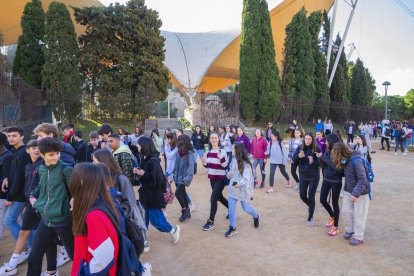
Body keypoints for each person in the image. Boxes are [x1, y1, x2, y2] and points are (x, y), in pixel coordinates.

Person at [27, 137, 74, 275]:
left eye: (57, 153)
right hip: (45, 219)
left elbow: (77, 192)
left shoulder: (66, 169)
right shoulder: (41, 169)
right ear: (42, 155)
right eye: (51, 154)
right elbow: (41, 186)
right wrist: (32, 195)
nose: (56, 157)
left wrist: (75, 200)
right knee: (34, 255)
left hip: (63, 220)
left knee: (75, 255)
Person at [92, 149, 150, 252]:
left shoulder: (121, 179)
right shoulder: (99, 179)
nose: (92, 164)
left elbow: (130, 203)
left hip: (125, 219)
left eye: (94, 161)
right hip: (114, 221)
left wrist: (115, 214)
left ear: (104, 161)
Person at [0, 140, 43, 275]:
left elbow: (29, 185)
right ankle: (21, 257)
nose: (36, 150)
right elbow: (26, 185)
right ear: (28, 150)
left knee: (12, 223)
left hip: (37, 205)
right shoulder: (29, 165)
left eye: (38, 148)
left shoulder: (41, 166)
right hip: (28, 203)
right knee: (26, 231)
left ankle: (50, 267)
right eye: (33, 148)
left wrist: (10, 197)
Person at [69, 163, 120, 275]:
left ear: (82, 181)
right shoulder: (101, 202)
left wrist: (84, 273)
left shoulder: (93, 216)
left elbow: (103, 259)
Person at [133, 137, 180, 244]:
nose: (137, 146)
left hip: (153, 197)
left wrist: (143, 174)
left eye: (139, 144)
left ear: (144, 146)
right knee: (143, 218)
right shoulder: (146, 159)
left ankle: (173, 230)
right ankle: (143, 239)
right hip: (145, 195)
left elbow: (158, 180)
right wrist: (139, 171)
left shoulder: (153, 161)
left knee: (156, 221)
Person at [331, 142, 370, 246]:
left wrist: (356, 193)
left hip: (361, 192)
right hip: (348, 190)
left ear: (341, 153)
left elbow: (363, 180)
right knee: (346, 211)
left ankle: (359, 236)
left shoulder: (356, 161)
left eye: (336, 154)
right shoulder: (345, 160)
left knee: (359, 215)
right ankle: (350, 230)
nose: (335, 157)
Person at [2, 127, 31, 247]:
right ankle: (29, 247)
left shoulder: (24, 152)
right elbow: (13, 174)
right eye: (9, 136)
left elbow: (20, 178)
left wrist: (10, 197)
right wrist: (6, 178)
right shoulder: (15, 151)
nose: (10, 138)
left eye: (14, 136)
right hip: (18, 193)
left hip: (20, 194)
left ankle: (23, 248)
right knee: (26, 224)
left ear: (22, 137)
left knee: (9, 220)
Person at [225, 143, 259, 237]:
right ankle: (232, 227)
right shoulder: (234, 159)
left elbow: (246, 179)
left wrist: (239, 184)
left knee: (246, 208)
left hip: (243, 189)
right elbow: (233, 170)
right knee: (231, 209)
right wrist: (229, 174)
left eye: (233, 149)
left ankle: (256, 216)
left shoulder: (246, 164)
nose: (231, 150)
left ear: (237, 150)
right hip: (233, 188)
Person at [201, 132, 229, 231]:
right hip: (212, 177)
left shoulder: (223, 151)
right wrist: (204, 161)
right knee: (219, 197)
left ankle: (211, 221)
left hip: (221, 178)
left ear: (218, 139)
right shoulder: (208, 152)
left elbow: (225, 166)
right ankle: (231, 208)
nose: (214, 139)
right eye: (212, 138)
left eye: (215, 138)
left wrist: (220, 157)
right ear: (210, 139)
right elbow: (207, 166)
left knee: (213, 198)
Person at [292, 132, 321, 226]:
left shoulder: (316, 148)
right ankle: (311, 206)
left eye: (309, 139)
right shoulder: (300, 147)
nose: (307, 141)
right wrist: (299, 157)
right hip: (303, 176)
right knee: (302, 195)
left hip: (314, 176)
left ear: (312, 140)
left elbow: (321, 163)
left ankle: (310, 218)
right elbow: (294, 159)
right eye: (306, 139)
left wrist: (313, 161)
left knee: (311, 196)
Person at [317, 134, 342, 236]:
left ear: (332, 141)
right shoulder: (327, 150)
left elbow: (337, 167)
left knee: (335, 203)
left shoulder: (338, 152)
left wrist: (323, 158)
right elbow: (323, 165)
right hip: (326, 179)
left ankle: (336, 227)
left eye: (327, 141)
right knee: (322, 200)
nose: (326, 143)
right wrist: (319, 158)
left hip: (336, 181)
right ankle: (332, 216)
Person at [173, 135, 195, 222]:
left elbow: (191, 167)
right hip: (177, 176)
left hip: (184, 178)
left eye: (179, 141)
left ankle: (184, 210)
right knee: (182, 193)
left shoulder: (189, 152)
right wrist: (172, 173)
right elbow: (176, 163)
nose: (177, 142)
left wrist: (187, 178)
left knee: (177, 193)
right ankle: (188, 212)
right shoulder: (179, 151)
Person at [0, 132, 12, 241]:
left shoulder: (7, 157)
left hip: (4, 196)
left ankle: (26, 247)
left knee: (3, 222)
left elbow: (6, 180)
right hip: (3, 196)